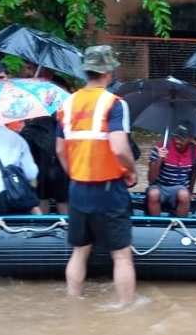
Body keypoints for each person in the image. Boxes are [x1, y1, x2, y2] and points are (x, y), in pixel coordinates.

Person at [55, 45, 137, 304]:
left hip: (78, 188)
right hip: (109, 188)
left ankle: (73, 302)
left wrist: (75, 174)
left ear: (86, 71)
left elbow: (59, 150)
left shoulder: (67, 104)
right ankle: (126, 308)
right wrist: (131, 171)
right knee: (121, 255)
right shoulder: (114, 104)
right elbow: (119, 147)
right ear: (108, 72)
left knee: (79, 252)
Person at [20, 67, 70, 213]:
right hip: (39, 148)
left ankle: (65, 228)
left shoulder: (57, 86)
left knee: (62, 197)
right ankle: (43, 228)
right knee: (42, 194)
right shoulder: (32, 89)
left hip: (56, 147)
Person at [146, 122, 196, 217]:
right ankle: (155, 225)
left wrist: (190, 191)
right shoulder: (161, 147)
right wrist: (159, 159)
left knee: (185, 195)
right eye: (176, 137)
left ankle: (180, 224)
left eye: (182, 138)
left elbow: (194, 171)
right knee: (153, 194)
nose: (178, 141)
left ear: (191, 138)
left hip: (180, 187)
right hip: (160, 186)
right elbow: (151, 179)